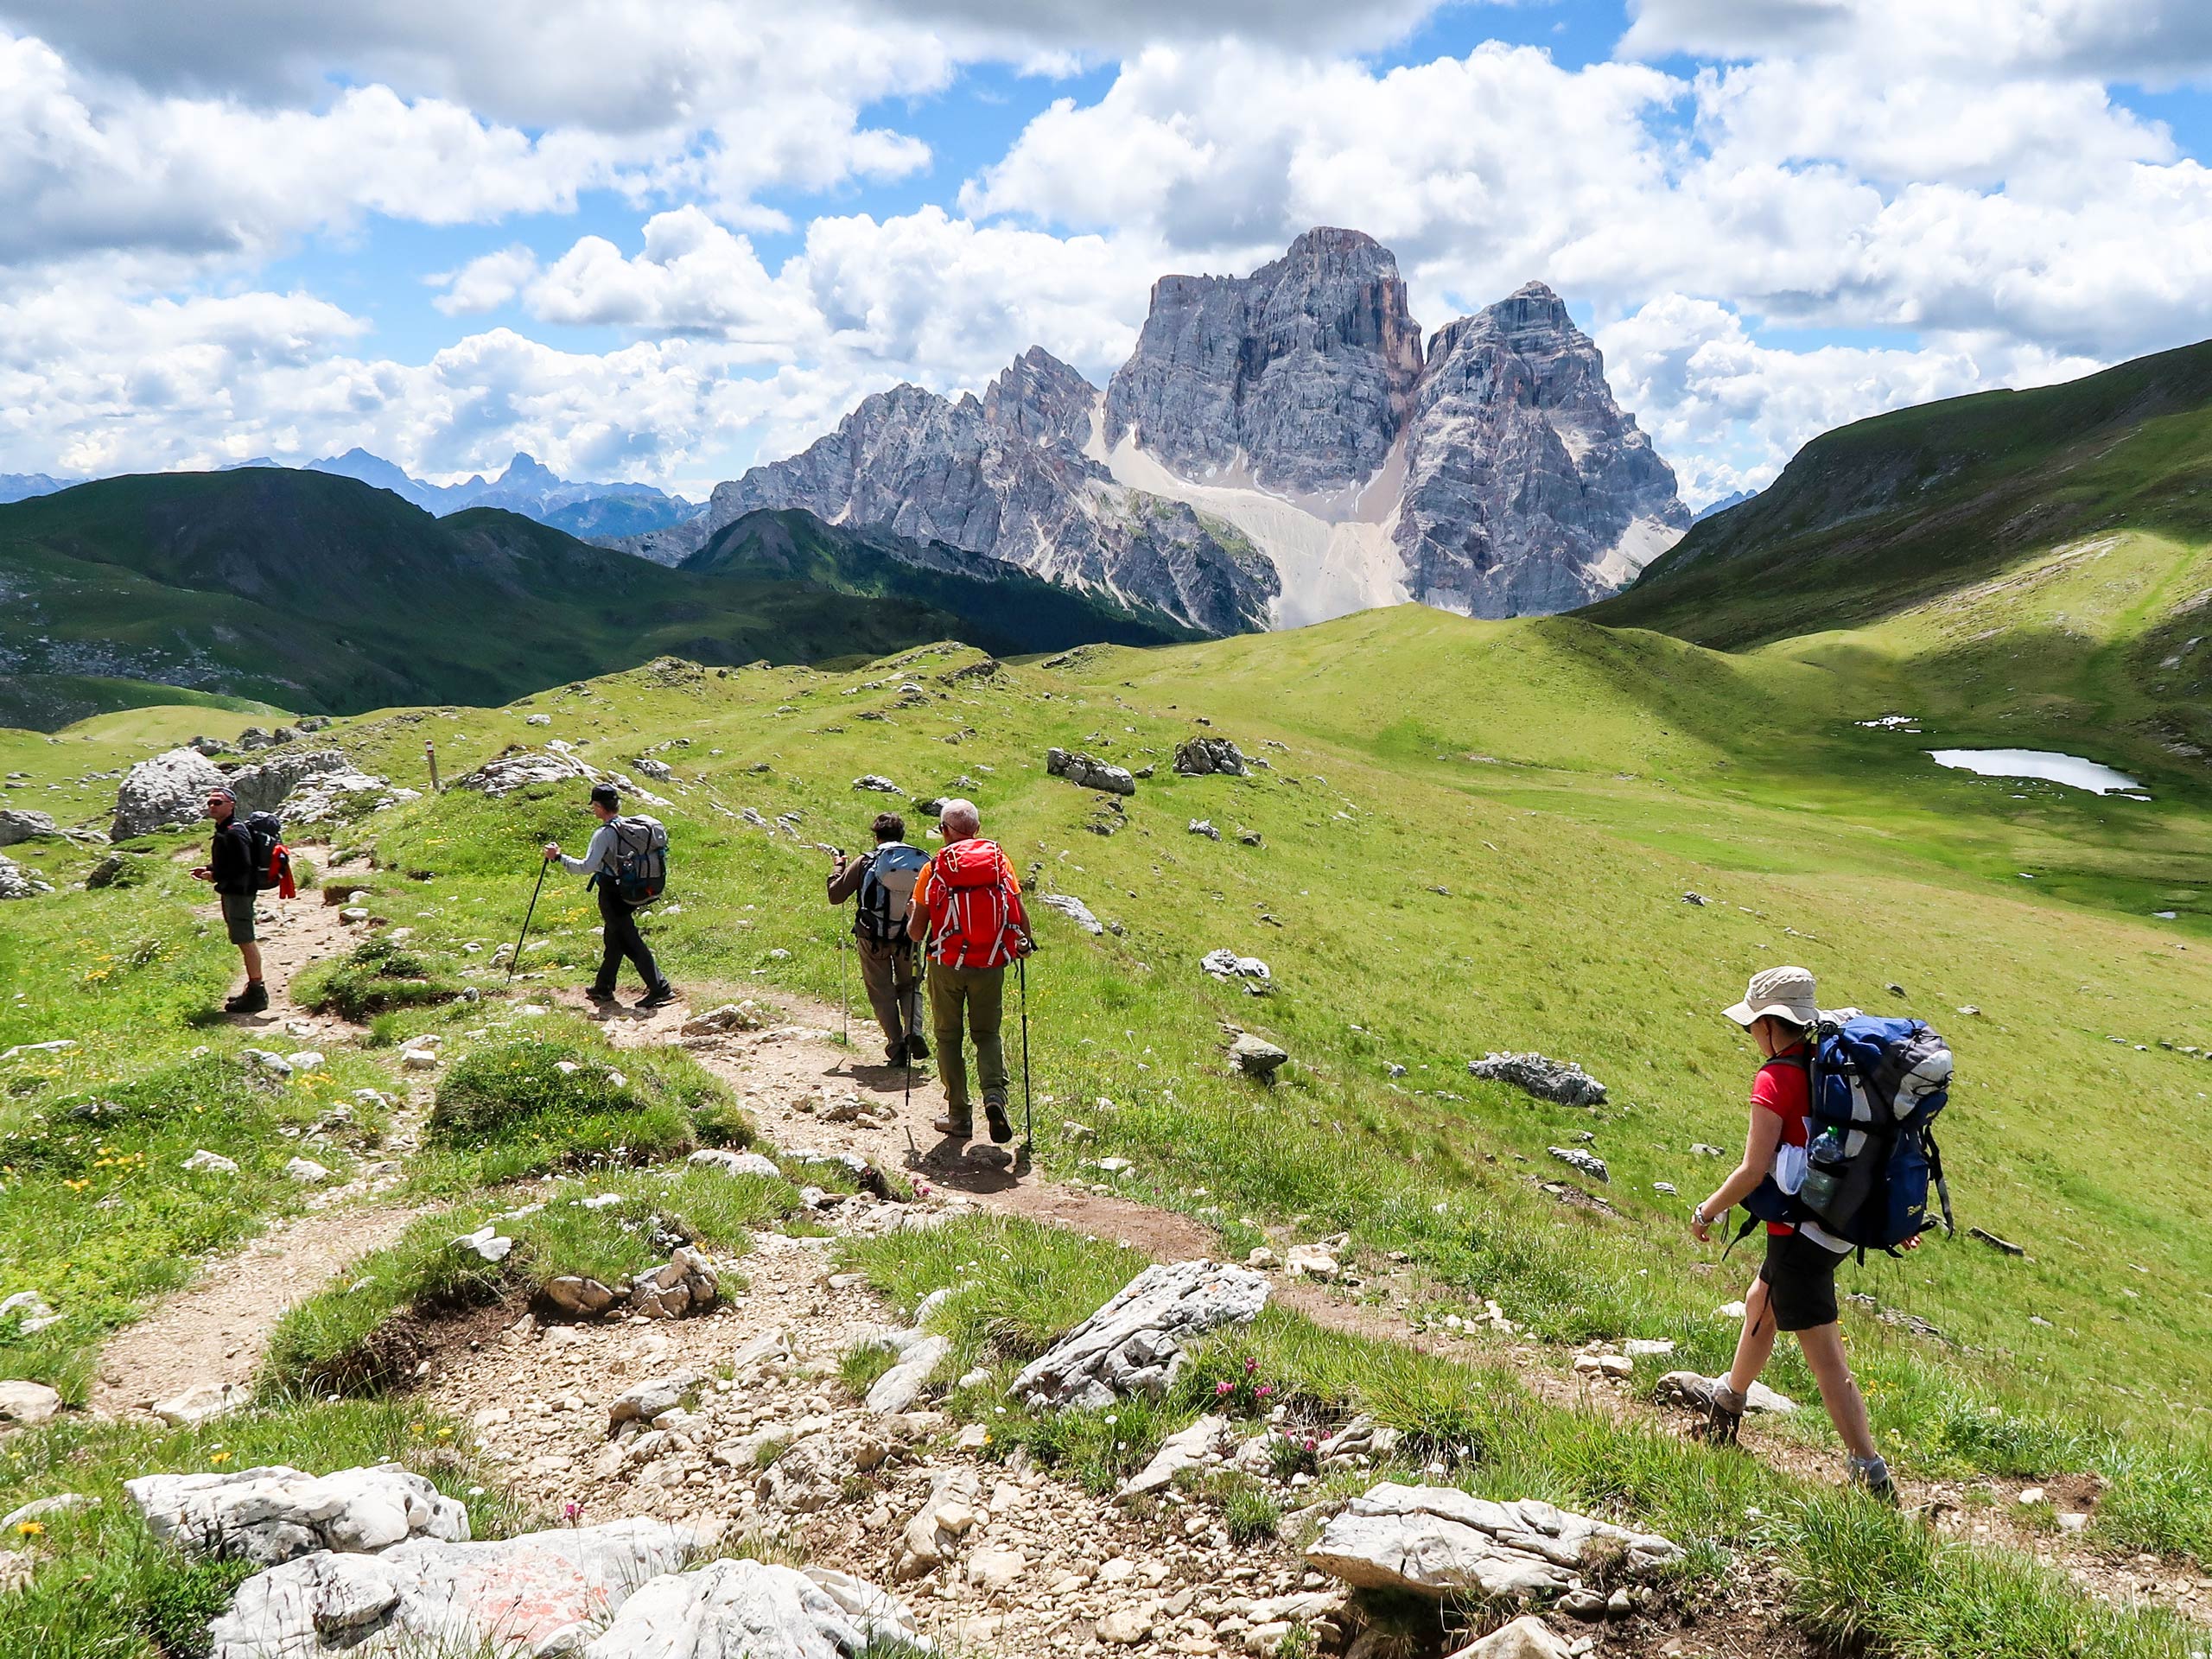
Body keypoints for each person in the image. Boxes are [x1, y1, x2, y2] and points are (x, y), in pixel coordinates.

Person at [1689, 964, 1899, 1500]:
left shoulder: (1773, 1079)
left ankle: (1868, 1469)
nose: (1749, 1037)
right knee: (1762, 1296)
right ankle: (1727, 1405)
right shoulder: (1827, 1067)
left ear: (1767, 1025)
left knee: (1824, 1353)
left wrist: (1707, 1211)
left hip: (1800, 1231)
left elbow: (1753, 1170)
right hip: (1834, 1222)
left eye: (1750, 1027)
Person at [908, 798, 1030, 1144]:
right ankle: (995, 1096)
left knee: (949, 1037)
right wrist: (1024, 945)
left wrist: (910, 913)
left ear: (945, 831)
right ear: (977, 829)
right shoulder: (998, 862)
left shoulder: (934, 868)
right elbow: (1018, 913)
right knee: (987, 1035)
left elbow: (917, 933)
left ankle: (959, 1115)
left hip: (946, 964)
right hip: (990, 963)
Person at [543, 783, 676, 1008]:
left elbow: (586, 867)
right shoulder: (628, 827)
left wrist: (558, 857)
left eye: (594, 806)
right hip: (629, 888)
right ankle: (603, 987)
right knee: (614, 938)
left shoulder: (604, 834)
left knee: (629, 940)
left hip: (612, 894)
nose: (593, 810)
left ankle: (660, 988)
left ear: (598, 806)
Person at [825, 811, 929, 1067]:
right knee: (911, 986)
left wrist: (838, 866)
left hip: (871, 937)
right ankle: (913, 1031)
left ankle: (897, 1049)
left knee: (881, 992)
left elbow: (835, 895)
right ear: (903, 835)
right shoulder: (920, 861)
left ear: (876, 836)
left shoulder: (866, 861)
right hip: (909, 936)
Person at [191, 785, 267, 1014]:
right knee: (242, 939)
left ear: (232, 805)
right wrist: (209, 868)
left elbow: (242, 865)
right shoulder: (226, 829)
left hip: (239, 892)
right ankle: (253, 989)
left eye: (218, 802)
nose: (212, 806)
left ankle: (257, 992)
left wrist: (214, 875)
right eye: (210, 803)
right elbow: (230, 861)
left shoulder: (235, 831)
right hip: (233, 890)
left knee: (246, 940)